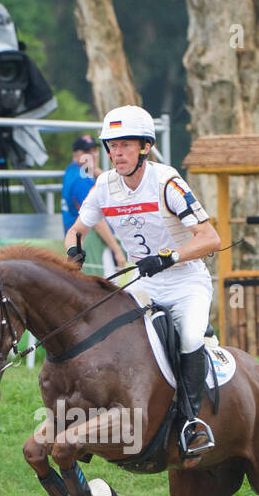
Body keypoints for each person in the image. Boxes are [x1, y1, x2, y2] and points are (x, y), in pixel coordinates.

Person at [64, 106, 223, 457]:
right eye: (111, 146)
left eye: (124, 145)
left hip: (185, 282)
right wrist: (74, 252)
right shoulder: (104, 185)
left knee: (191, 338)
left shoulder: (167, 181)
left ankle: (190, 424)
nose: (116, 153)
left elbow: (210, 238)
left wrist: (170, 256)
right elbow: (76, 230)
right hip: (141, 281)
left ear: (145, 147)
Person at [61, 134, 125, 274]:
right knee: (103, 289)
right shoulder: (82, 180)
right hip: (90, 241)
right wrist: (117, 250)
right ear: (76, 155)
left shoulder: (72, 170)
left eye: (95, 150)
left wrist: (97, 172)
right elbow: (97, 221)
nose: (93, 155)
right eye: (87, 152)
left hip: (78, 241)